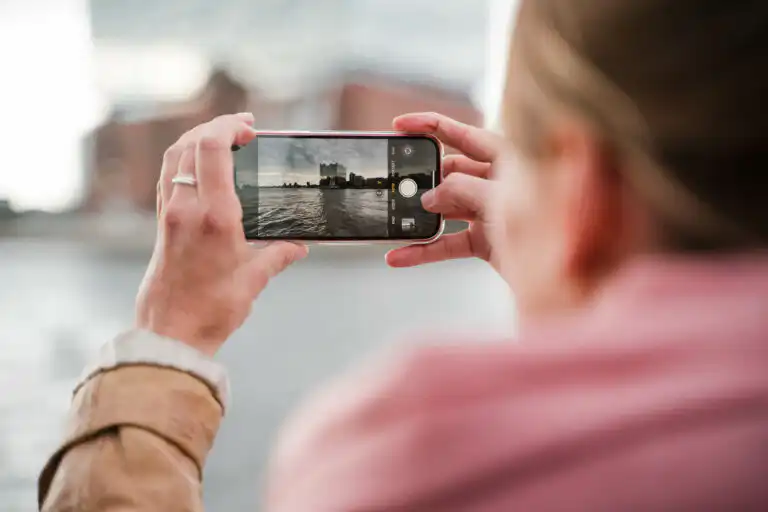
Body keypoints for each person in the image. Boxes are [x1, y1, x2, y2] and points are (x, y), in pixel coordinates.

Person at [39, 0, 768, 510]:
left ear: (583, 189)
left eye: (528, 157)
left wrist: (166, 339)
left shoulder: (416, 448)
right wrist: (574, 276)